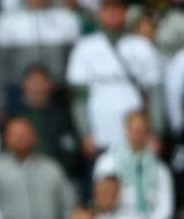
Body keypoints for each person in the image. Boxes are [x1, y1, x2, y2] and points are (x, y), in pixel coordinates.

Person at [67, 0, 163, 162]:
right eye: (108, 8)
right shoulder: (85, 46)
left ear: (126, 12)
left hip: (137, 130)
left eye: (118, 9)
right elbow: (79, 97)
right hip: (100, 126)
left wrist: (156, 132)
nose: (113, 13)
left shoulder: (142, 45)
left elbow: (155, 94)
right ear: (100, 13)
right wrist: (85, 133)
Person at [93, 111, 174, 219]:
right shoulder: (108, 163)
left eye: (143, 131)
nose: (138, 135)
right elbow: (101, 202)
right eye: (135, 130)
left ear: (148, 133)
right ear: (126, 129)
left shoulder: (160, 169)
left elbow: (166, 206)